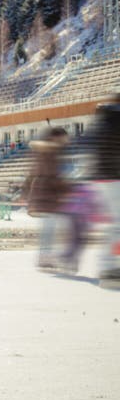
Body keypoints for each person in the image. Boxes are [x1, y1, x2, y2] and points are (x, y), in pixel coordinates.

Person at [22, 127, 69, 271]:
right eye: (64, 137)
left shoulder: (40, 153)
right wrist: (66, 190)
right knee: (52, 227)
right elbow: (54, 176)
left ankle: (45, 256)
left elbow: (31, 174)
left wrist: (25, 192)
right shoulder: (51, 153)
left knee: (48, 228)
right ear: (56, 137)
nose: (66, 141)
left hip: (41, 193)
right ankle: (46, 257)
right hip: (49, 195)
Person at [89, 98, 120, 287]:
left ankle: (107, 266)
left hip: (100, 177)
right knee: (117, 225)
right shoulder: (117, 120)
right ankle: (110, 269)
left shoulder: (103, 122)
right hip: (114, 177)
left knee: (113, 224)